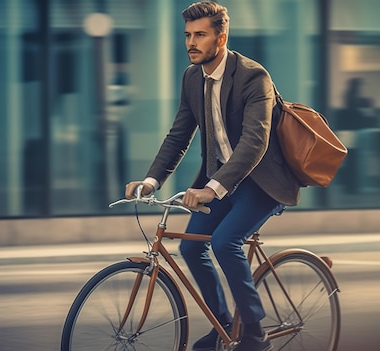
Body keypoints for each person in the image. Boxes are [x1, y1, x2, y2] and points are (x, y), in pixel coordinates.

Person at [124, 2, 299, 351]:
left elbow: (254, 143)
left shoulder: (254, 76)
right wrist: (151, 180)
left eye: (200, 35)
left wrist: (211, 189)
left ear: (221, 38)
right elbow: (178, 135)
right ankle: (223, 327)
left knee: (224, 242)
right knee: (191, 247)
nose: (191, 42)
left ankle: (254, 332)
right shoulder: (192, 77)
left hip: (263, 183)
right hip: (221, 182)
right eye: (188, 35)